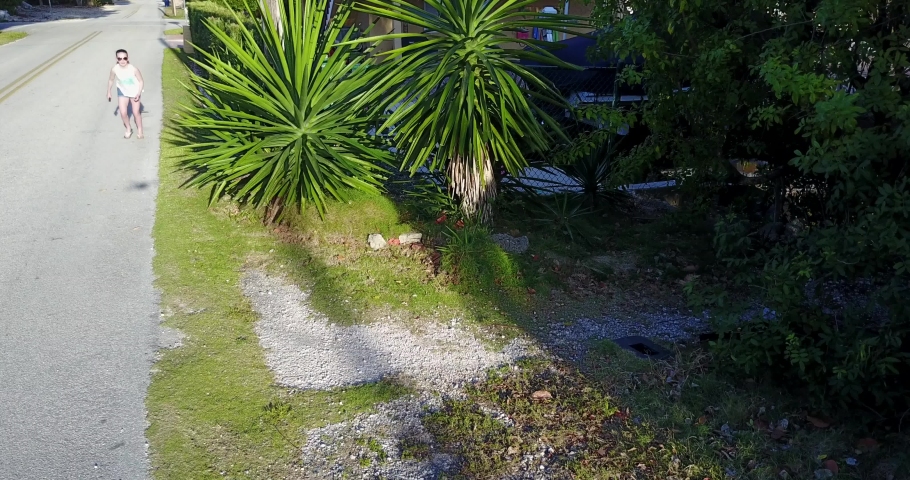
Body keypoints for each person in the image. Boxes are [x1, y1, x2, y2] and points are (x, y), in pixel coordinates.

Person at [106, 49, 145, 139]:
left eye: (125, 58)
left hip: (134, 91)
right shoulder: (114, 69)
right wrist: (108, 91)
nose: (122, 60)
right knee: (123, 113)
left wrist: (138, 93)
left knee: (136, 112)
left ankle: (140, 130)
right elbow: (111, 80)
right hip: (122, 91)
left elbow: (141, 81)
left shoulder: (133, 69)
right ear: (117, 59)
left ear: (128, 58)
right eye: (120, 58)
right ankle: (128, 128)